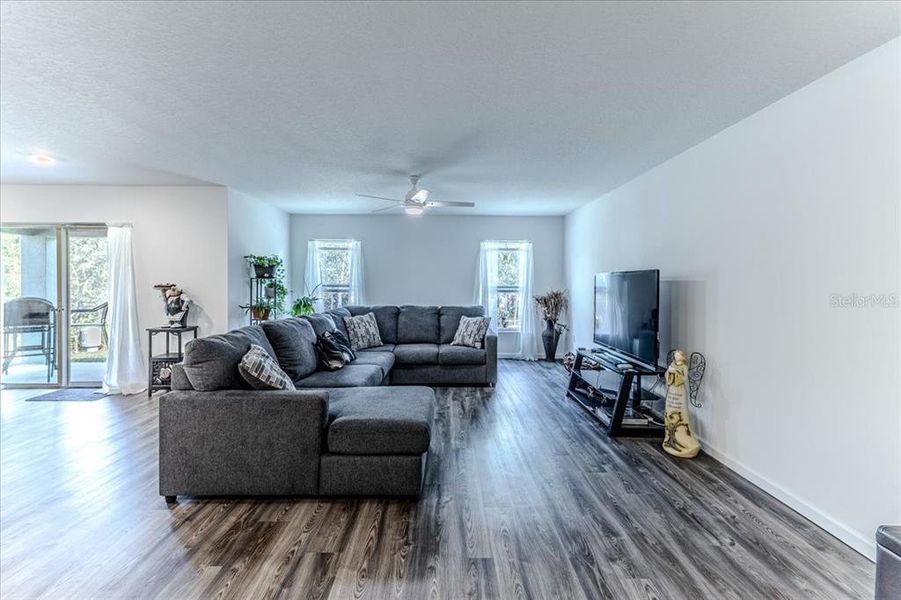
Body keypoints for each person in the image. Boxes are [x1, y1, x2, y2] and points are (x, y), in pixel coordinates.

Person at [662, 349, 700, 458]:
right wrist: (669, 371)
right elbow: (667, 376)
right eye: (675, 355)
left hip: (679, 392)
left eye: (678, 355)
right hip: (672, 392)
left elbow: (684, 378)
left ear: (682, 357)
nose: (676, 357)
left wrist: (676, 372)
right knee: (669, 414)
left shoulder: (683, 367)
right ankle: (670, 438)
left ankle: (683, 441)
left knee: (680, 415)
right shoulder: (672, 364)